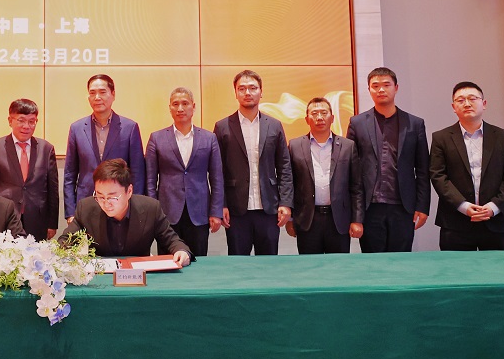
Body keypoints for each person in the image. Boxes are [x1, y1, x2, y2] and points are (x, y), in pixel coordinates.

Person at [346, 67, 431, 253]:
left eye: (386, 85)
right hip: (370, 207)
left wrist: (422, 206)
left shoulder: (415, 124)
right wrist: (355, 212)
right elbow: (352, 171)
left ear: (396, 88)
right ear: (369, 89)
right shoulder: (357, 123)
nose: (381, 90)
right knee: (372, 261)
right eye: (375, 86)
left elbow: (423, 169)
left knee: (401, 260)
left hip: (403, 206)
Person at [430, 81, 504, 251]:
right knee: (457, 268)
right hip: (455, 223)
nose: (467, 104)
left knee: (501, 268)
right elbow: (438, 176)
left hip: (496, 221)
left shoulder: (503, 137)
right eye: (460, 100)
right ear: (453, 107)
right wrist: (463, 206)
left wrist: (493, 207)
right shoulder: (441, 138)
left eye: (472, 98)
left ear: (484, 103)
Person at [213, 70, 293, 256]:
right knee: (238, 264)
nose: (247, 92)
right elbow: (217, 171)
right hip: (236, 210)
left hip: (269, 209)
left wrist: (286, 202)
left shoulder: (274, 125)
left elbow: (284, 167)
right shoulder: (222, 126)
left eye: (252, 88)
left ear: (261, 92)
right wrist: (221, 204)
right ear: (235, 93)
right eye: (242, 89)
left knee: (269, 263)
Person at [60, 160, 191, 266]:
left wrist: (182, 251)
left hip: (139, 276)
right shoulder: (86, 208)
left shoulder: (151, 208)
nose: (106, 203)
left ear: (129, 191)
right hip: (101, 277)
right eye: (100, 196)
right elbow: (65, 241)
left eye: (112, 197)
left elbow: (172, 240)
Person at [145, 87, 224, 257]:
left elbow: (217, 178)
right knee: (167, 261)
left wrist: (216, 211)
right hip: (167, 213)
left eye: (185, 103)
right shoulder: (156, 138)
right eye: (175, 104)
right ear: (170, 108)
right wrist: (153, 212)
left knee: (199, 260)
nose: (180, 108)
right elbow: (150, 180)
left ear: (193, 107)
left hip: (199, 212)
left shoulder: (209, 138)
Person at [286, 97, 364, 254]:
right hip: (307, 220)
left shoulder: (347, 146)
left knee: (338, 266)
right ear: (307, 119)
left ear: (332, 118)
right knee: (310, 266)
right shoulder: (295, 146)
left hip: (338, 220)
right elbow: (289, 184)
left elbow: (356, 187)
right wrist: (290, 218)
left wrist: (357, 219)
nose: (319, 117)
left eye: (324, 113)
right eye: (314, 113)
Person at [64, 74, 145, 221]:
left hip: (120, 206)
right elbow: (70, 174)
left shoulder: (130, 128)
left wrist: (135, 208)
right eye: (92, 93)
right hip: (86, 204)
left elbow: (137, 173)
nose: (97, 97)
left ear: (113, 94)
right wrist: (70, 212)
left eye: (102, 92)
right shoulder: (76, 128)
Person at [0, 99, 59, 241]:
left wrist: (52, 223)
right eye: (21, 120)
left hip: (37, 219)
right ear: (10, 121)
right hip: (4, 217)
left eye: (31, 121)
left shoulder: (46, 149)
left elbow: (52, 189)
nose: (26, 126)